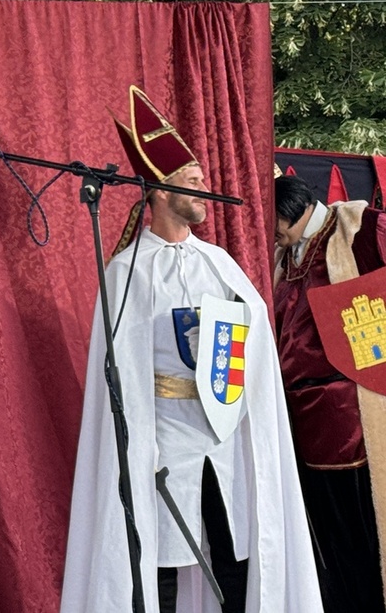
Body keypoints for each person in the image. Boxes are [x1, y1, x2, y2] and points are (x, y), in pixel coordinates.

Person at [61, 87, 320, 612]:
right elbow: (124, 375)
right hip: (163, 444)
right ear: (156, 191)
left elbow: (256, 352)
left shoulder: (221, 264)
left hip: (225, 440)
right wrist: (141, 450)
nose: (205, 187)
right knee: (160, 570)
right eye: (191, 180)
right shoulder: (127, 270)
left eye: (203, 178)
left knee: (231, 558)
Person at [273, 174, 386, 612]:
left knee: (364, 528)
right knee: (327, 535)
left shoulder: (361, 228)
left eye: (274, 222)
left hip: (353, 417)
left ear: (290, 210)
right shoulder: (283, 257)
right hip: (301, 421)